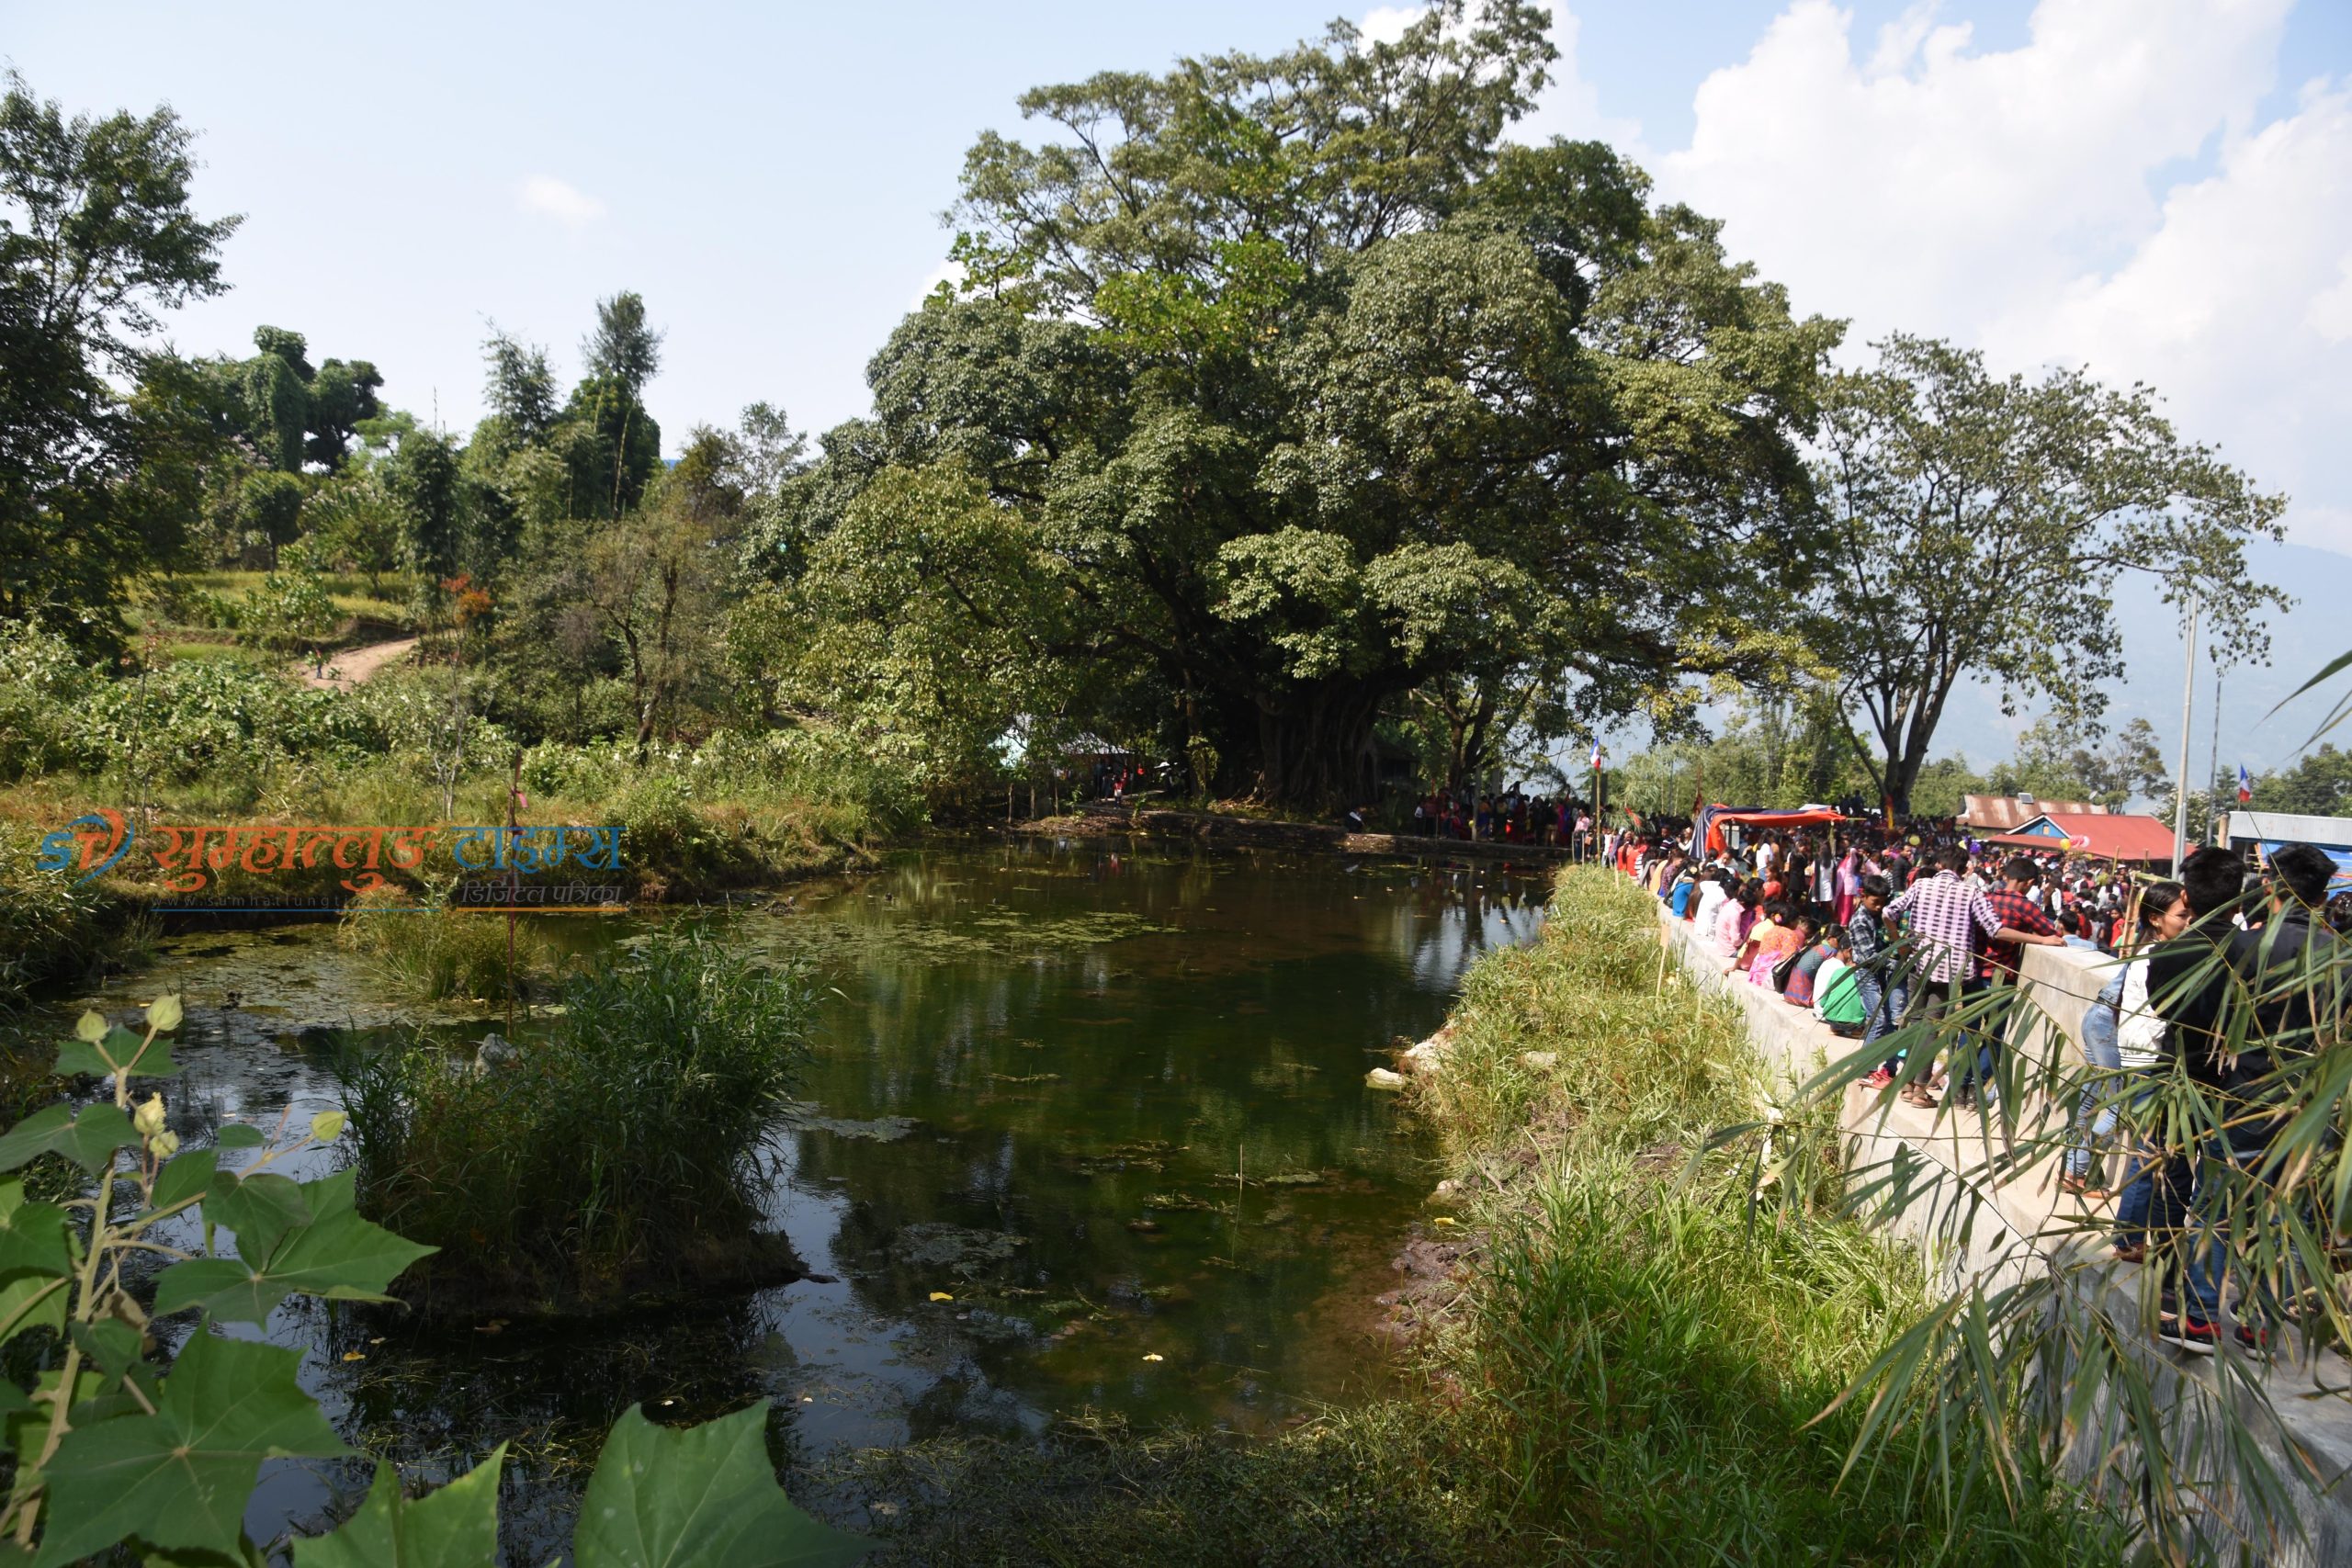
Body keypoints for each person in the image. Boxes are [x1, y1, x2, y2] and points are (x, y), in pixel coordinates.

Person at [1884, 847, 2063, 1111]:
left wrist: (1901, 947)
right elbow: (1996, 930)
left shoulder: (1921, 885)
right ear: (1964, 869)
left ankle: (1908, 1085)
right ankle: (1921, 1090)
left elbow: (1888, 913)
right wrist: (2042, 940)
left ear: (1939, 863)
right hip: (1950, 970)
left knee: (1915, 1023)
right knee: (1933, 1028)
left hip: (1918, 964)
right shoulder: (1971, 892)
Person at [1814, 933, 1868, 1037]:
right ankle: (1857, 1031)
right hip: (1854, 1022)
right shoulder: (1864, 976)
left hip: (1831, 1019)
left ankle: (1835, 1029)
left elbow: (1823, 1001)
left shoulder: (1837, 971)